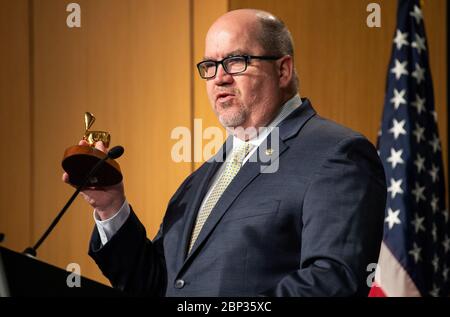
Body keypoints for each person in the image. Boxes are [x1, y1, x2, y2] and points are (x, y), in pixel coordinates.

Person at [64, 9, 386, 296]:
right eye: (210, 65)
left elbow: (333, 281)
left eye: (235, 61)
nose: (219, 77)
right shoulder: (199, 180)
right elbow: (157, 284)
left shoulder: (336, 154)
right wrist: (111, 208)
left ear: (283, 70)